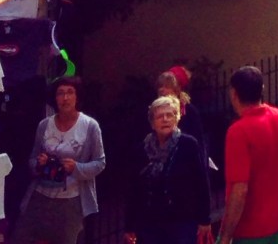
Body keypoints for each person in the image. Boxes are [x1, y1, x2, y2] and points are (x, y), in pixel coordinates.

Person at [215, 66, 278, 244]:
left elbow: (240, 190)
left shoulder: (238, 132)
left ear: (233, 94)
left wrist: (225, 236)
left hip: (248, 229)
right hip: (276, 221)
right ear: (261, 90)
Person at [12, 75, 105, 244]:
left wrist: (76, 168)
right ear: (54, 99)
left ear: (77, 96)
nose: (65, 97)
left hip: (70, 201)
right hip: (40, 196)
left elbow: (100, 163)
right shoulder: (44, 125)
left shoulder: (90, 126)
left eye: (70, 92)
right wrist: (38, 164)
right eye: (60, 93)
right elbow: (32, 159)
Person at [125, 95, 212, 244]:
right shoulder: (142, 149)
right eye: (159, 116)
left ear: (177, 119)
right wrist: (129, 225)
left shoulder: (188, 145)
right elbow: (134, 189)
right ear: (152, 123)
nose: (165, 119)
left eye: (169, 115)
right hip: (150, 223)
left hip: (182, 222)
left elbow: (201, 183)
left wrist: (205, 219)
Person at [156, 68, 211, 180]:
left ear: (176, 89)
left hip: (184, 168)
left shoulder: (189, 111)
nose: (162, 90)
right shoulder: (154, 111)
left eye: (166, 86)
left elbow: (198, 144)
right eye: (160, 86)